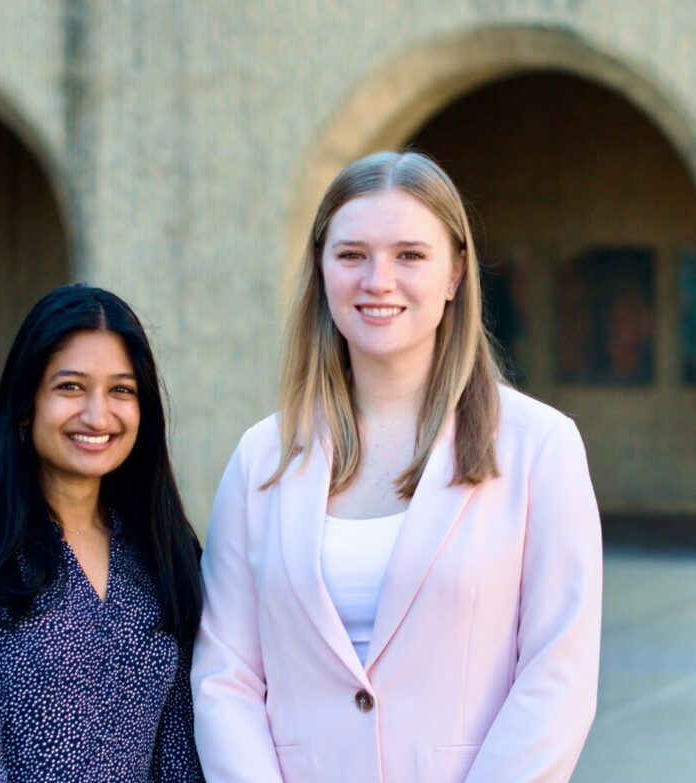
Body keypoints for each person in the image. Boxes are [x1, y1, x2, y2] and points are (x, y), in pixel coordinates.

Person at [191, 151, 602, 782]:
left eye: (410, 254)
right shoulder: (260, 460)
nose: (378, 280)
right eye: (352, 254)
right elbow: (226, 675)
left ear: (456, 273)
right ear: (323, 270)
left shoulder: (540, 448)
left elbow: (558, 675)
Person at [0, 285, 204, 782]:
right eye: (71, 387)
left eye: (121, 390)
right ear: (25, 404)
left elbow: (182, 758)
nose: (97, 415)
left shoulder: (165, 552)